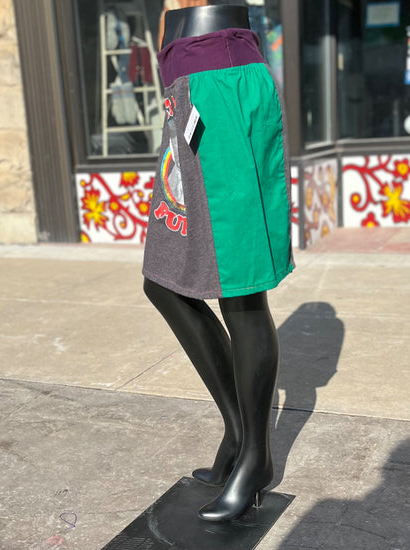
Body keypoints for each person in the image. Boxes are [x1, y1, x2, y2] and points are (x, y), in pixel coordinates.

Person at [143, 4, 294, 522]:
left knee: (240, 287)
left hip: (221, 84)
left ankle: (256, 457)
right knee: (163, 280)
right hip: (184, 92)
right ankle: (237, 430)